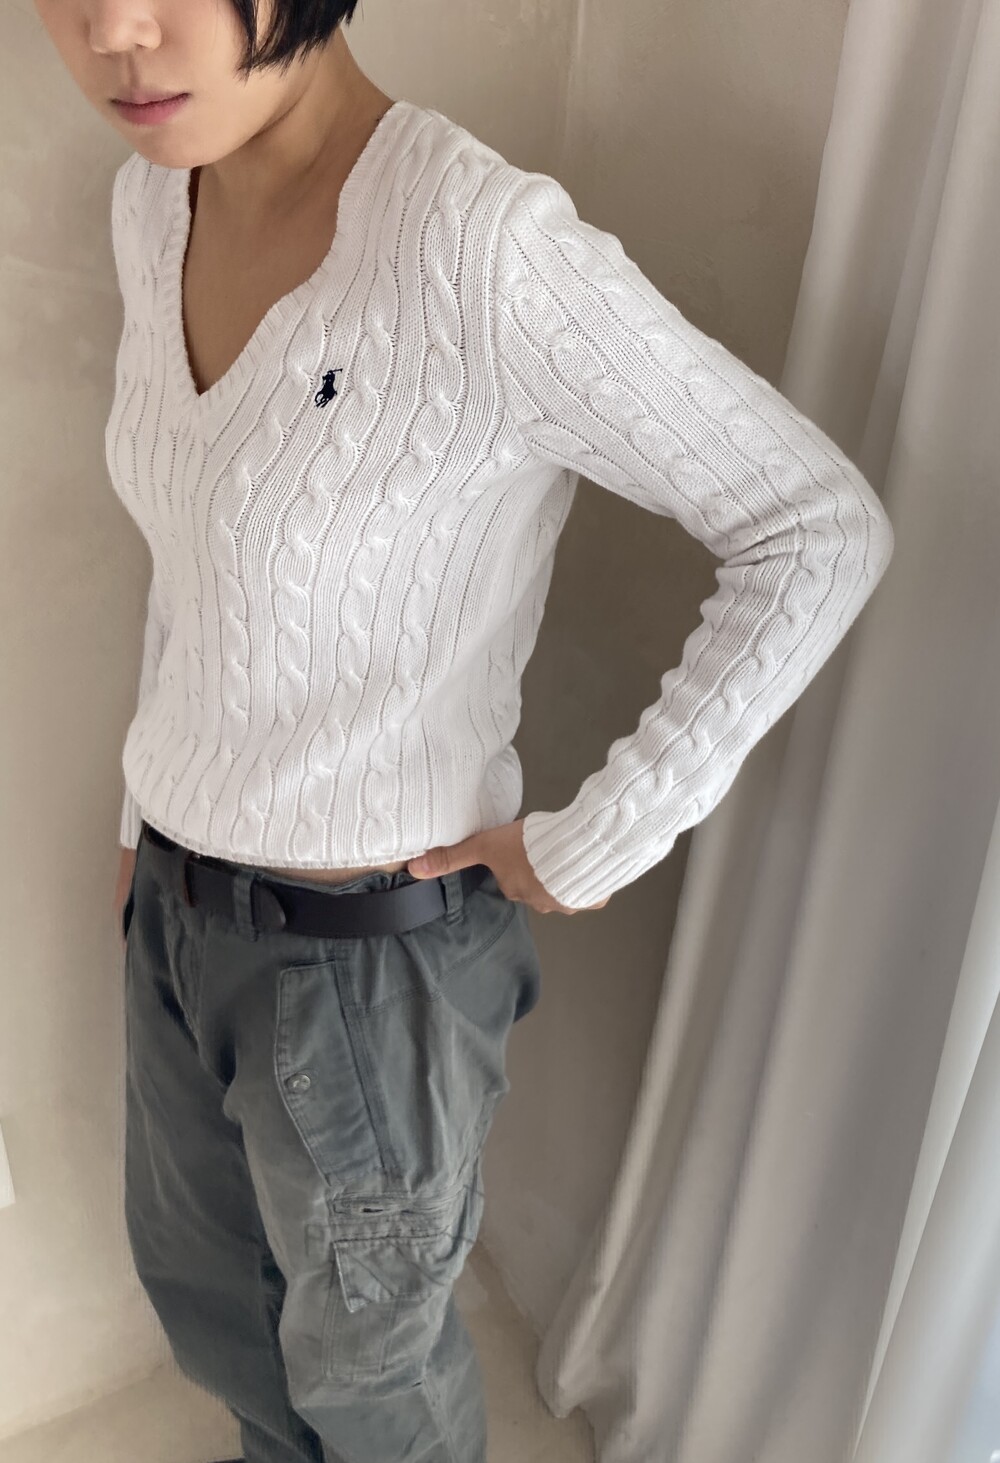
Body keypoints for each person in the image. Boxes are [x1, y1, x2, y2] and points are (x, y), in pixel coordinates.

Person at [32, 0, 894, 1458]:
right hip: (177, 916)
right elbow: (193, 563)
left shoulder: (477, 247)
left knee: (372, 1386)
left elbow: (815, 527)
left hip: (367, 969)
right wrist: (143, 822)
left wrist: (604, 832)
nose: (115, 29)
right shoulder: (151, 203)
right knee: (214, 1308)